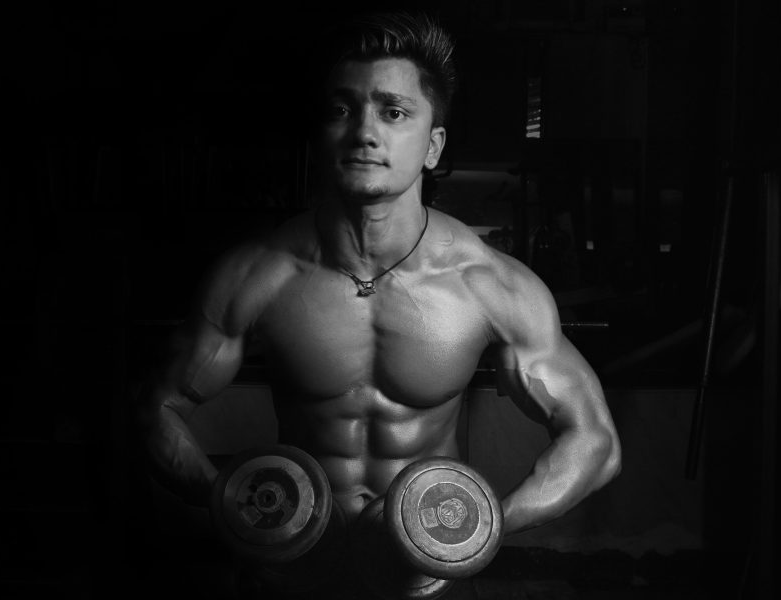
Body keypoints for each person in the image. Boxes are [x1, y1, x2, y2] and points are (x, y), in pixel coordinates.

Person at [140, 10, 621, 597]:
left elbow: (595, 442)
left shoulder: (489, 284)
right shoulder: (256, 275)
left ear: (433, 145)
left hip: (419, 580)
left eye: (394, 112)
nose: (364, 132)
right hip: (292, 573)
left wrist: (481, 526)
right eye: (342, 110)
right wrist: (227, 499)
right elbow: (154, 408)